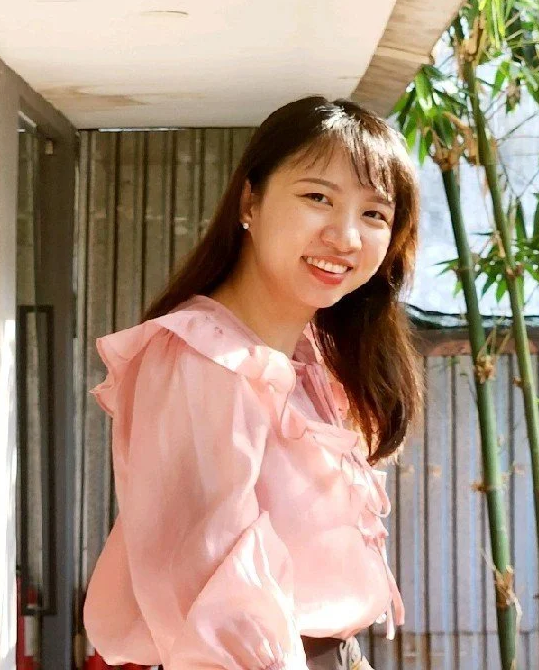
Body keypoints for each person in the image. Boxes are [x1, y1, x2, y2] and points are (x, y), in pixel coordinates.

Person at [83, 96, 423, 670]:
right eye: (318, 197)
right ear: (250, 199)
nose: (345, 236)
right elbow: (207, 600)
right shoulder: (202, 359)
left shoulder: (311, 361)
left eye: (374, 214)